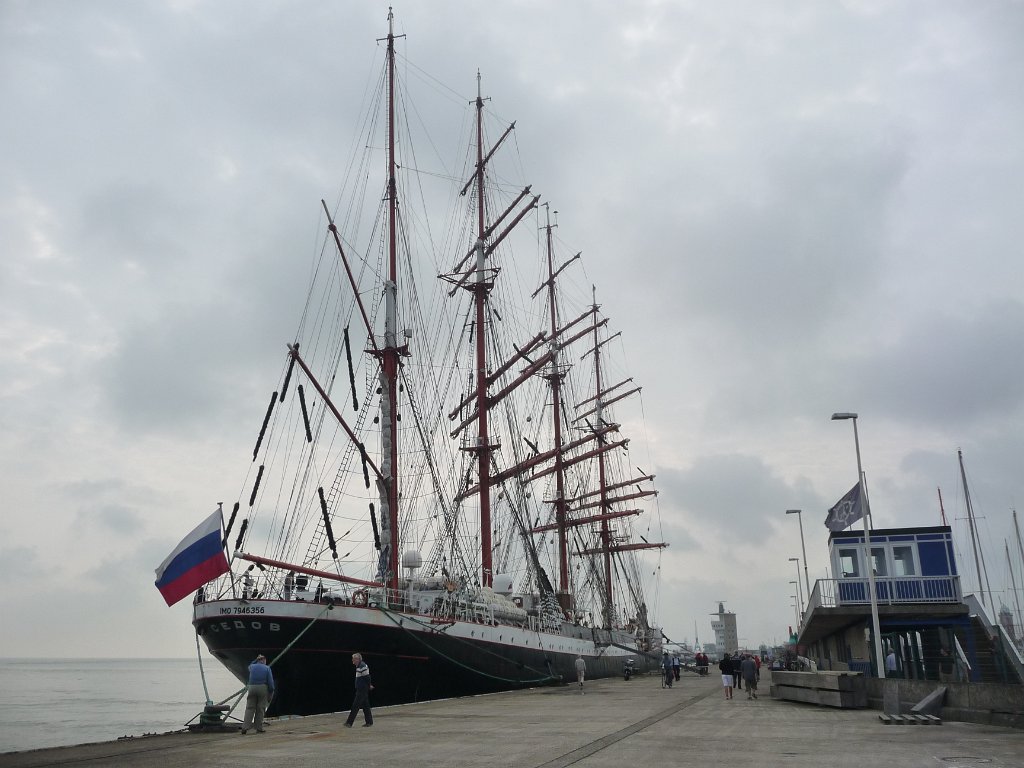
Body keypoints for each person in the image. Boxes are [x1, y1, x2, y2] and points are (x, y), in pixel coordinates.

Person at [241, 654, 275, 734]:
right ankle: (258, 728)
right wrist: (271, 691)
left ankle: (245, 727)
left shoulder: (252, 667)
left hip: (252, 688)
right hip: (262, 688)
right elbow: (270, 683)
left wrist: (256, 659)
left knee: (249, 708)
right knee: (260, 708)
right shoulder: (267, 668)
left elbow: (249, 665)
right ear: (264, 660)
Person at [345, 652, 374, 727]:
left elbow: (367, 677)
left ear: (358, 659)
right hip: (362, 689)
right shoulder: (359, 666)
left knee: (355, 706)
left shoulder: (362, 666)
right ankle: (369, 722)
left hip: (362, 689)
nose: (352, 660)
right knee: (366, 706)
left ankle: (349, 723)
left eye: (354, 659)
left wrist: (369, 685)